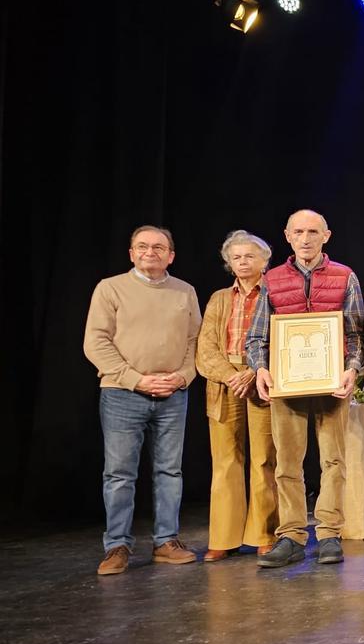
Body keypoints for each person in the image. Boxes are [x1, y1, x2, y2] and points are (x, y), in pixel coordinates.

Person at [247, 210, 364, 568]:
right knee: (287, 463)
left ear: (326, 235)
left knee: (334, 461)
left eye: (313, 231)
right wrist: (261, 369)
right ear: (287, 235)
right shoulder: (272, 278)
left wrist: (352, 370)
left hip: (331, 386)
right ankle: (293, 535)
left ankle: (329, 534)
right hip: (287, 384)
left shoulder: (345, 277)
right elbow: (256, 337)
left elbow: (356, 334)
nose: (306, 238)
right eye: (299, 232)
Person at [84, 225, 202, 575]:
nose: (150, 252)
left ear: (171, 255)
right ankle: (117, 546)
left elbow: (194, 341)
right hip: (122, 393)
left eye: (159, 247)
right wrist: (137, 380)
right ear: (132, 253)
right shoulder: (111, 288)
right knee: (119, 474)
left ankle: (166, 541)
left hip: (172, 394)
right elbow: (97, 342)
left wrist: (183, 376)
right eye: (142, 246)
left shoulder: (184, 291)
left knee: (170, 470)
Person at [195, 230, 278, 561]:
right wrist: (232, 377)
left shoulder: (274, 292)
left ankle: (265, 533)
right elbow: (205, 348)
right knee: (226, 461)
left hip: (262, 379)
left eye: (250, 256)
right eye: (236, 257)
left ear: (264, 260)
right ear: (229, 262)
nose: (243, 262)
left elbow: (284, 337)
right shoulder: (218, 298)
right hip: (224, 384)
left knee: (264, 460)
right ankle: (223, 537)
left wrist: (254, 372)